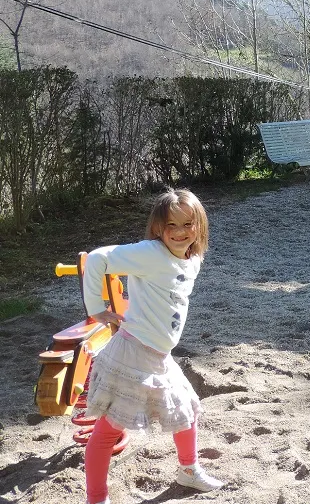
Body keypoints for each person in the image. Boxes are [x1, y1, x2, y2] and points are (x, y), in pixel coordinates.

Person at [82, 188, 225, 504]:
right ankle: (96, 498)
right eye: (170, 226)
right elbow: (96, 259)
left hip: (161, 356)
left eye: (187, 224)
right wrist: (97, 309)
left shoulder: (193, 259)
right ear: (158, 228)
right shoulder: (149, 253)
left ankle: (188, 470)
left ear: (199, 225)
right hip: (133, 354)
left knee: (186, 410)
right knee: (108, 431)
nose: (179, 232)